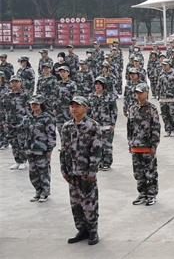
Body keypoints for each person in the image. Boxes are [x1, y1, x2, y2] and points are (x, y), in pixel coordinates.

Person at [60, 96, 102, 245]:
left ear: (86, 108)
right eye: (72, 106)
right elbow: (63, 149)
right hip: (72, 172)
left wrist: (92, 170)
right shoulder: (66, 127)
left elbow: (96, 149)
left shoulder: (92, 126)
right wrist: (63, 169)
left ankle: (93, 231)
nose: (74, 108)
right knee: (75, 203)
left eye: (78, 105)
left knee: (89, 202)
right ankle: (82, 229)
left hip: (86, 173)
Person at [127, 83, 160, 206]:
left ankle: (151, 195)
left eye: (141, 92)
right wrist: (130, 143)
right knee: (138, 173)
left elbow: (156, 128)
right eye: (137, 93)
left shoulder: (151, 109)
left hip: (147, 146)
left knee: (150, 173)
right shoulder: (132, 109)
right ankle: (142, 194)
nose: (138, 95)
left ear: (147, 93)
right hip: (136, 146)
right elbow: (129, 128)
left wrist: (154, 146)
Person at [24, 95, 56, 202]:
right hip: (30, 150)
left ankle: (45, 192)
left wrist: (49, 150)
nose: (34, 105)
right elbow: (25, 135)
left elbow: (51, 135)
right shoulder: (27, 118)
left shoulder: (47, 118)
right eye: (32, 103)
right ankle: (38, 191)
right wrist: (25, 149)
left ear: (41, 104)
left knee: (44, 172)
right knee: (33, 172)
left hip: (42, 150)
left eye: (36, 103)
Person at [88, 76, 118, 171]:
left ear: (104, 85)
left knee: (107, 146)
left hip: (106, 125)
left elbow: (114, 111)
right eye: (96, 84)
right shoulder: (91, 97)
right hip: (95, 125)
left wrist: (112, 124)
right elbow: (88, 111)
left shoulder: (110, 97)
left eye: (100, 84)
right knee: (96, 145)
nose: (98, 86)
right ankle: (99, 163)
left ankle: (107, 163)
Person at [6, 75, 31, 170]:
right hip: (10, 123)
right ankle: (17, 160)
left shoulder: (25, 94)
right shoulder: (7, 95)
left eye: (16, 82)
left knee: (22, 142)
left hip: (21, 122)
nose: (14, 84)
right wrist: (4, 122)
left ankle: (23, 161)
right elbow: (4, 109)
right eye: (12, 82)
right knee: (13, 142)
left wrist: (28, 121)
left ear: (20, 82)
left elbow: (29, 109)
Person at [156, 59, 174, 137]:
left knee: (172, 114)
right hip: (163, 98)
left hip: (172, 98)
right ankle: (167, 130)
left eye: (165, 65)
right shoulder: (161, 74)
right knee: (164, 114)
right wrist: (158, 95)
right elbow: (158, 85)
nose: (164, 66)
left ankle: (173, 129)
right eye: (163, 65)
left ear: (169, 65)